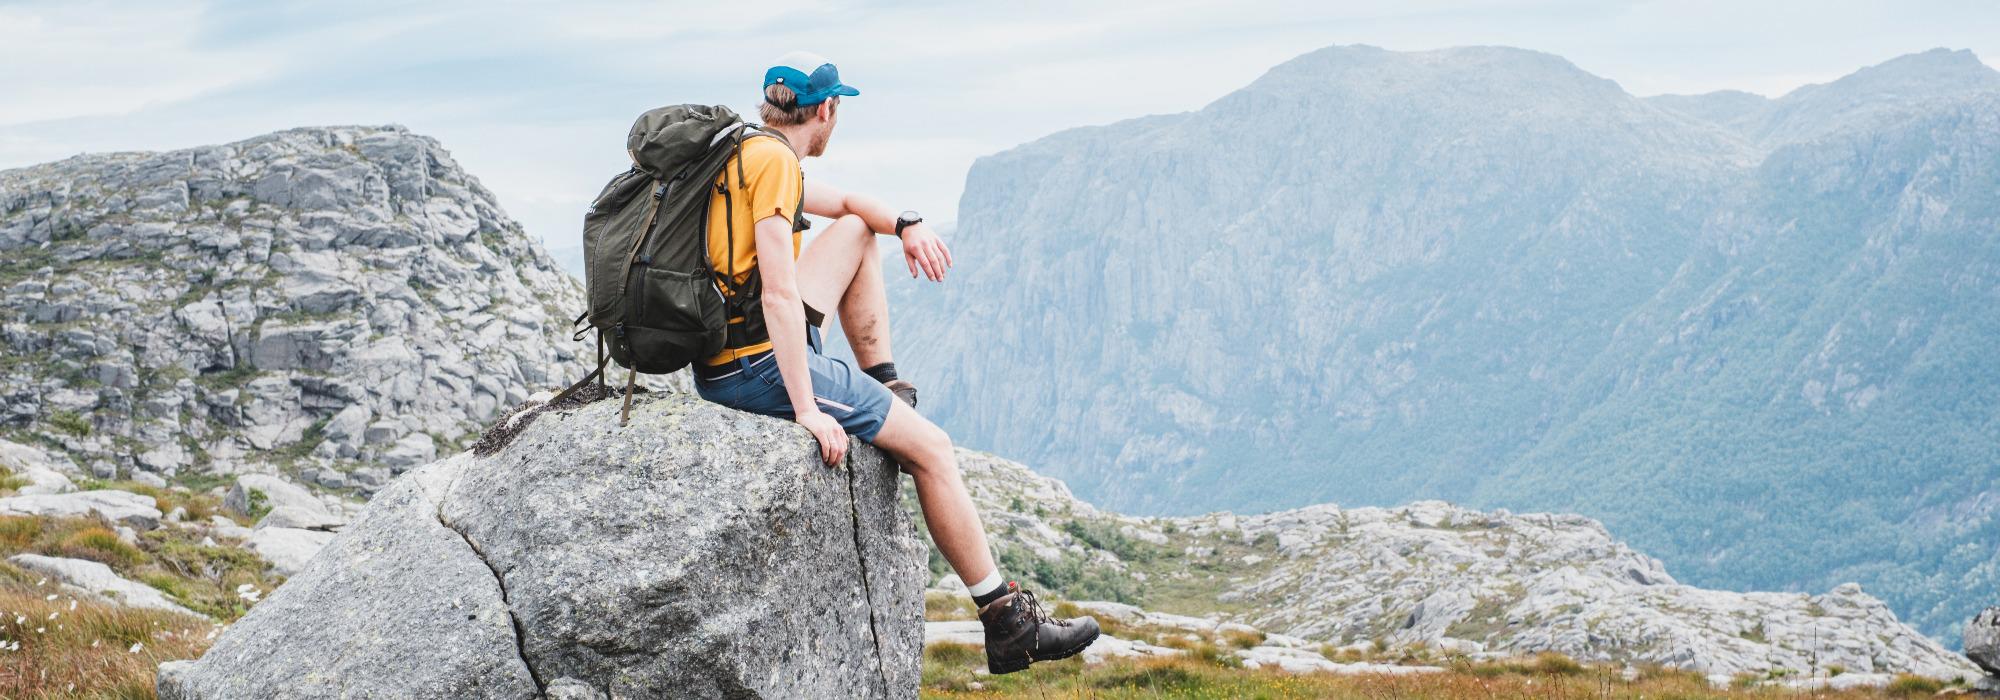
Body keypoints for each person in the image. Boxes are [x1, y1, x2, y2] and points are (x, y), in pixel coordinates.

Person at [688, 51, 1098, 674]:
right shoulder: (774, 165)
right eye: (838, 110)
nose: (837, 121)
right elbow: (776, 291)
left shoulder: (749, 151)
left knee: (856, 228)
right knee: (933, 450)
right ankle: (1008, 623)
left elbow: (851, 203)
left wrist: (907, 223)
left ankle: (884, 389)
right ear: (825, 110)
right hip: (760, 364)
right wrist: (807, 410)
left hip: (732, 352)